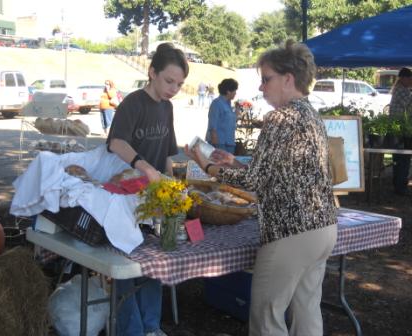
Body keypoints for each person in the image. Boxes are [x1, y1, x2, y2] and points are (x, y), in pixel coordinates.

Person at [186, 40, 337, 336]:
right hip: (322, 228)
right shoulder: (310, 114)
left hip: (290, 233)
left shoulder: (280, 117)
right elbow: (276, 173)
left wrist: (207, 166)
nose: (261, 87)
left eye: (266, 79)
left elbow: (256, 183)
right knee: (307, 312)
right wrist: (235, 164)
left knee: (266, 318)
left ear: (288, 79)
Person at [106, 42, 189, 336]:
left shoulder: (167, 108)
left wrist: (174, 184)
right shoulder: (133, 103)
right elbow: (116, 142)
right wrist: (145, 167)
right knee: (126, 264)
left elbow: (168, 152)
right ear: (152, 72)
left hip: (153, 197)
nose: (173, 88)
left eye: (179, 84)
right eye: (169, 81)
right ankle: (132, 330)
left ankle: (151, 327)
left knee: (155, 261)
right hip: (125, 195)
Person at [389, 67, 412, 195]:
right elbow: (407, 104)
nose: (411, 81)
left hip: (399, 129)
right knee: (403, 159)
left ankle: (399, 185)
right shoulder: (402, 90)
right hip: (400, 130)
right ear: (404, 78)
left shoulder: (402, 89)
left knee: (400, 159)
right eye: (410, 78)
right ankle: (400, 187)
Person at [205, 78, 239, 154]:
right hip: (220, 143)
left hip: (229, 142)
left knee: (227, 165)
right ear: (228, 91)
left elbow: (230, 121)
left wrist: (237, 111)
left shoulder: (228, 104)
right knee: (220, 165)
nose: (235, 93)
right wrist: (216, 145)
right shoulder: (217, 103)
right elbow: (212, 124)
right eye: (234, 90)